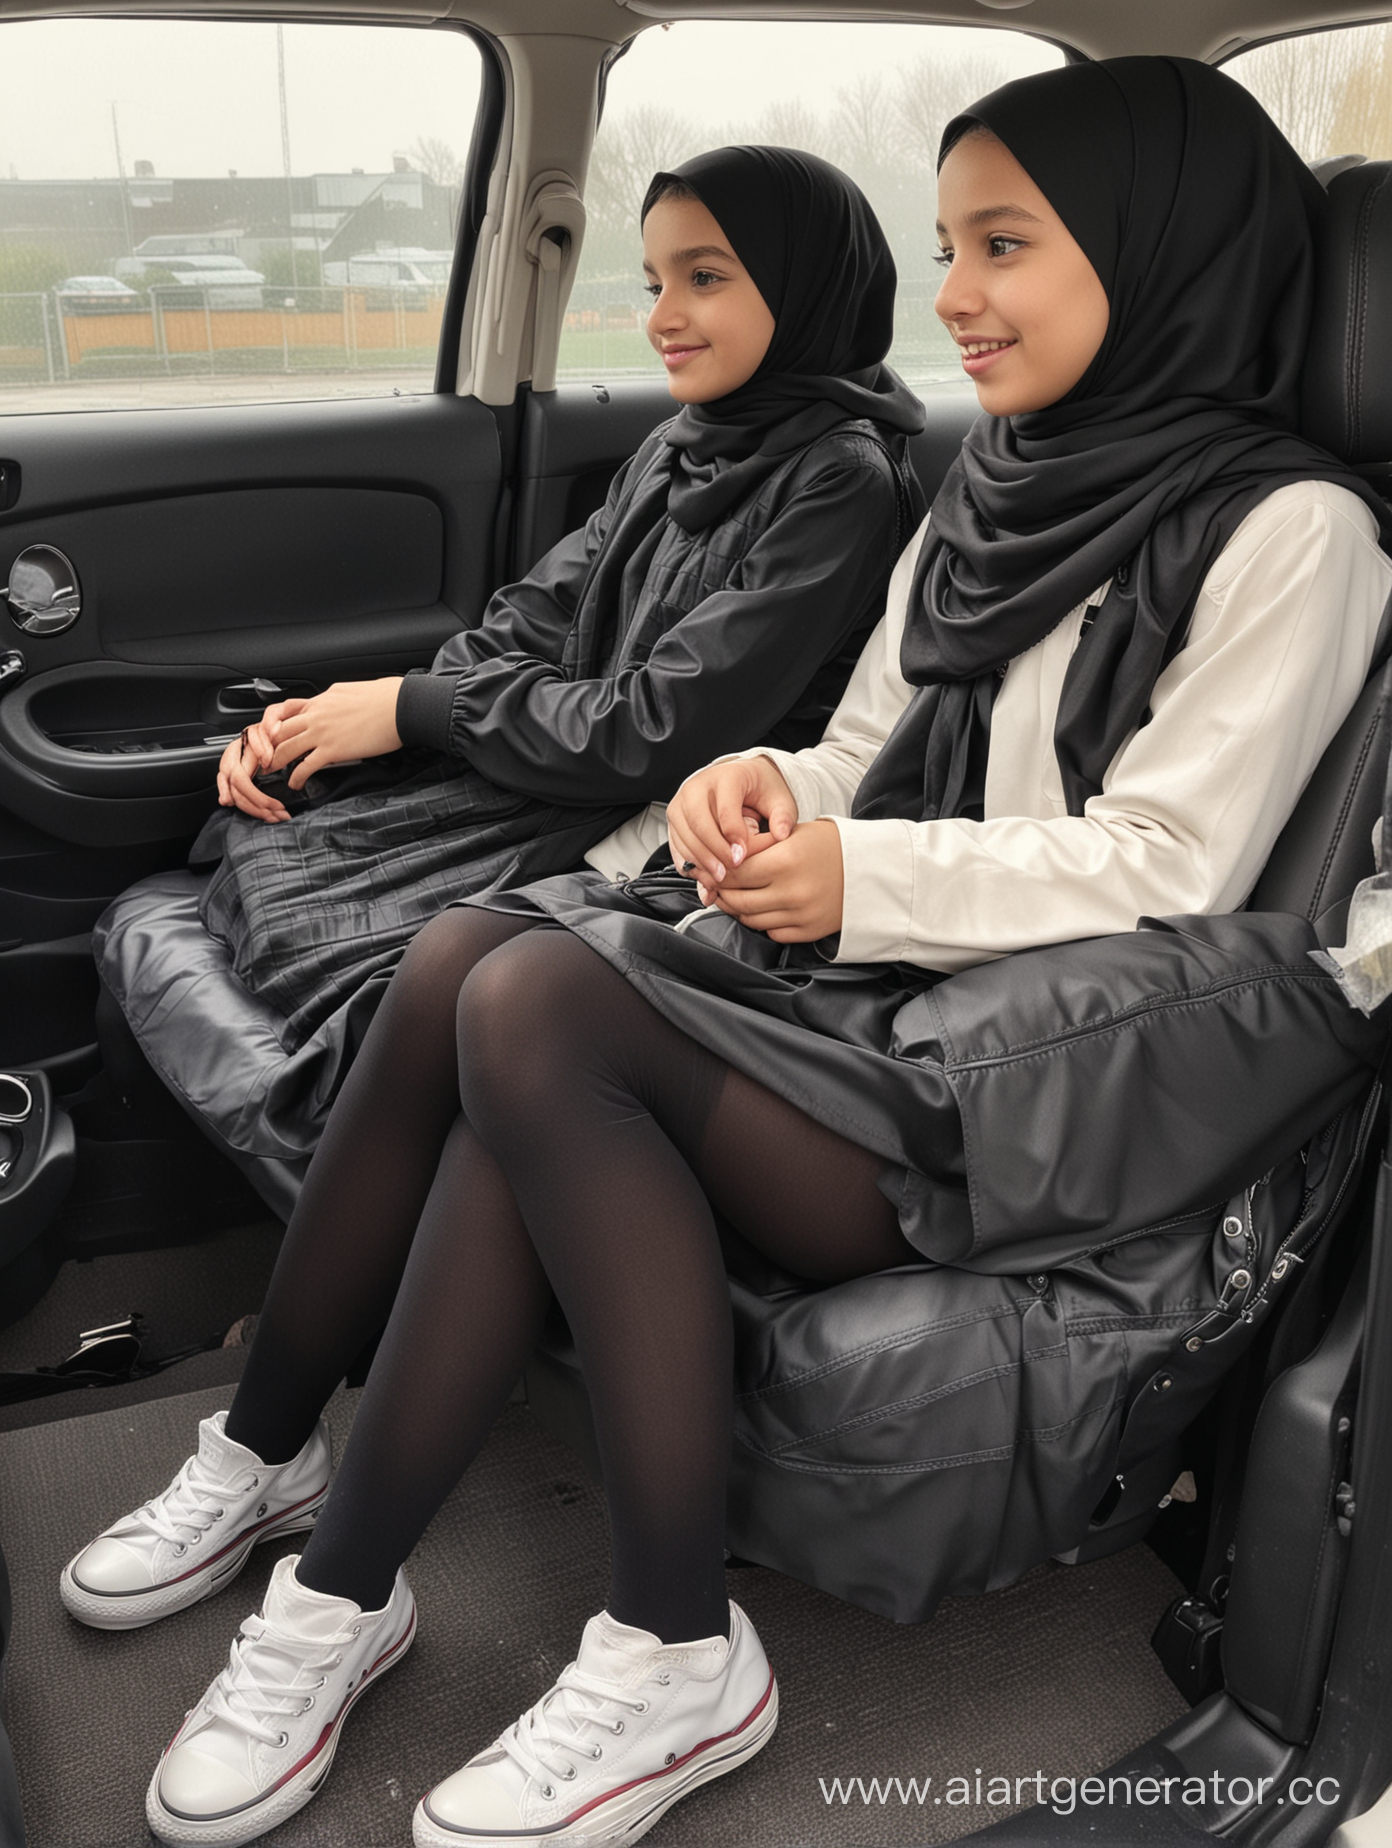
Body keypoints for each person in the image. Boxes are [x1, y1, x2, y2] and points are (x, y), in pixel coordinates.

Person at [66, 58, 1392, 1848]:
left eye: (1005, 243)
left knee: (524, 986)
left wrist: (855, 878)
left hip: (1030, 1087)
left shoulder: (1298, 535)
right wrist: (754, 795)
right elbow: (848, 754)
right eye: (944, 245)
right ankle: (312, 1522)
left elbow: (1169, 864)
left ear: (1163, 258)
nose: (954, 296)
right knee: (478, 964)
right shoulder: (995, 478)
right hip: (885, 1000)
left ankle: (630, 1625)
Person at [95, 143, 923, 1154]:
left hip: (667, 810)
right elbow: (534, 618)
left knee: (331, 958)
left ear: (806, 290)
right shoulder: (686, 440)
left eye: (705, 278)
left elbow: (656, 731)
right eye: (656, 280)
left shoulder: (842, 483)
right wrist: (344, 721)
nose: (661, 316)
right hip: (571, 767)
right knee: (257, 828)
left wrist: (411, 710)